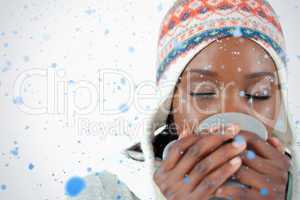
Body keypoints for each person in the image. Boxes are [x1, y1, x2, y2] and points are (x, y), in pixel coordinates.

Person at [66, 0, 299, 199]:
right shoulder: (103, 191)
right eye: (203, 93)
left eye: (259, 94)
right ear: (169, 105)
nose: (232, 122)